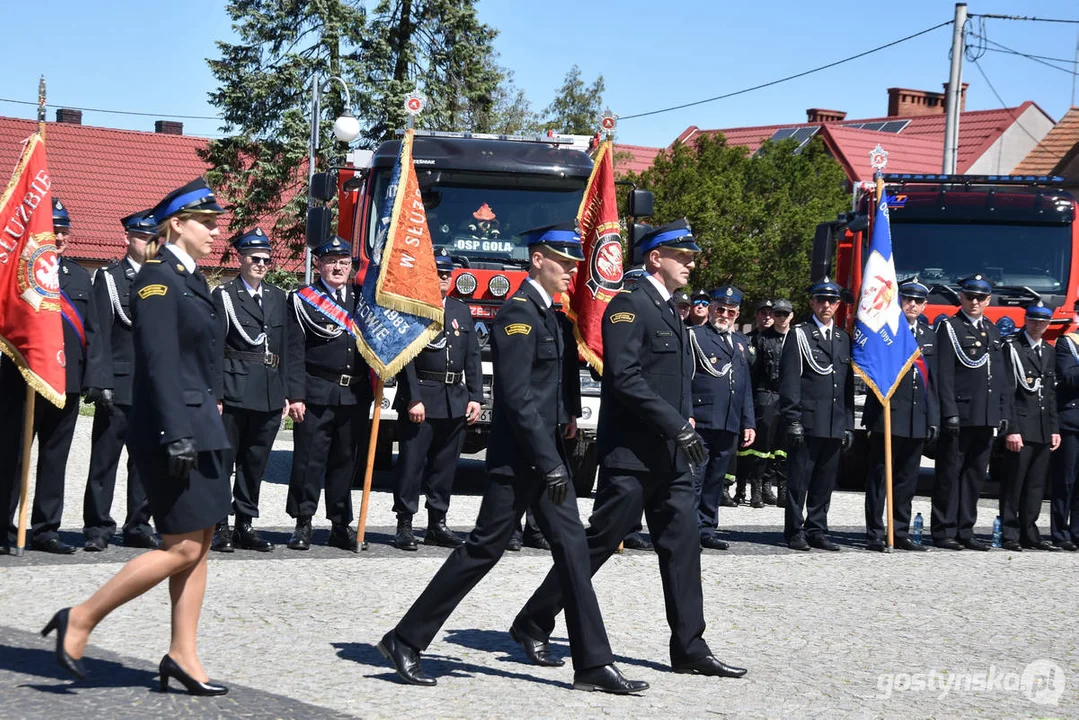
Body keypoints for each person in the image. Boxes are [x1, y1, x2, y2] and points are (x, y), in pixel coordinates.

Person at [378, 222, 647, 694]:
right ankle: (404, 639)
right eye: (563, 264)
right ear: (537, 260)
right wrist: (549, 463)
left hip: (546, 457)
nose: (571, 273)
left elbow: (551, 388)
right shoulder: (516, 315)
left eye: (574, 265)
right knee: (484, 549)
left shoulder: (554, 318)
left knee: (573, 551)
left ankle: (591, 663)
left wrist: (565, 419)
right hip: (521, 459)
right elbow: (519, 400)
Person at [512, 218, 747, 680]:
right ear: (655, 258)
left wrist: (684, 422)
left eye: (691, 256)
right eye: (683, 256)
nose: (691, 263)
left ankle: (690, 646)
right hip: (634, 457)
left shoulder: (674, 312)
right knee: (598, 543)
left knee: (683, 547)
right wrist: (676, 423)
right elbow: (625, 379)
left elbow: (670, 383)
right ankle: (533, 620)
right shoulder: (628, 307)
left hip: (673, 457)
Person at [43, 177, 232, 694]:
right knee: (181, 549)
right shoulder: (156, 279)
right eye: (208, 223)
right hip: (174, 427)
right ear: (178, 224)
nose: (216, 232)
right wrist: (175, 431)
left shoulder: (194, 281)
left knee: (198, 545)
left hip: (201, 426)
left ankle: (183, 655)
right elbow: (158, 361)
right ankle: (80, 617)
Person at [0, 198, 94, 554]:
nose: (58, 236)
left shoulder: (81, 276)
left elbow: (94, 333)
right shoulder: (17, 273)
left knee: (55, 460)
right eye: (52, 229)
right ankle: (2, 527)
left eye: (63, 230)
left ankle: (45, 530)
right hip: (21, 380)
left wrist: (91, 380)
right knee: (12, 458)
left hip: (65, 383)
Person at [284, 237, 373, 552]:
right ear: (319, 265)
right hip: (316, 391)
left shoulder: (364, 299)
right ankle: (302, 522)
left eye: (344, 262)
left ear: (351, 267)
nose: (338, 267)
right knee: (309, 460)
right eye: (332, 262)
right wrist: (295, 395)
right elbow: (293, 353)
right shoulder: (303, 300)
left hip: (355, 393)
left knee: (345, 461)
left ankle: (340, 524)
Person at [392, 248, 483, 551]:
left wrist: (475, 396)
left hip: (454, 399)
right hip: (421, 398)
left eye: (447, 274)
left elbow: (472, 358)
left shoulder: (460, 310)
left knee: (445, 466)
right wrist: (412, 398)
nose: (443, 279)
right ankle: (404, 523)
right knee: (411, 465)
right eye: (438, 274)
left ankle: (436, 523)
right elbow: (405, 359)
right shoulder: (414, 309)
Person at [81, 209, 160, 552]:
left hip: (152, 387)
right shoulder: (110, 278)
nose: (148, 243)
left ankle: (138, 524)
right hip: (119, 382)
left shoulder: (165, 277)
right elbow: (96, 332)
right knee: (104, 461)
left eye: (152, 237)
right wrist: (100, 382)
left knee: (145, 462)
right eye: (142, 237)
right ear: (127, 238)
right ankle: (98, 526)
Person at [210, 228, 288, 553]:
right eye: (255, 258)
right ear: (241, 258)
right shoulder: (225, 296)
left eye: (266, 260)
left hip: (268, 391)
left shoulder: (276, 296)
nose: (261, 264)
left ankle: (245, 523)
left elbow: (284, 347)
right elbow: (214, 348)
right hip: (234, 387)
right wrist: (215, 395)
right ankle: (219, 526)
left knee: (255, 462)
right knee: (224, 460)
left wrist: (285, 392)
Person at [932, 274, 1009, 551]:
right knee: (950, 474)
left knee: (975, 475)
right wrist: (948, 412)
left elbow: (999, 375)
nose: (974, 302)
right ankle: (944, 530)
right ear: (961, 298)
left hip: (984, 415)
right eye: (969, 296)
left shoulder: (992, 330)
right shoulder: (950, 327)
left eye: (980, 297)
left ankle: (966, 529)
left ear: (988, 300)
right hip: (960, 414)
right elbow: (943, 375)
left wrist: (1001, 410)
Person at [862, 280, 939, 552]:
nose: (913, 305)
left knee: (907, 479)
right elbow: (871, 370)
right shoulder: (885, 332)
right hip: (888, 414)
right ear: (898, 300)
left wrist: (933, 418)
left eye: (919, 301)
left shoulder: (929, 335)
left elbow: (935, 382)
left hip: (916, 418)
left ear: (925, 305)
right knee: (880, 479)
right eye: (908, 299)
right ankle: (875, 532)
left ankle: (901, 531)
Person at [779, 279, 854, 551]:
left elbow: (845, 386)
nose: (826, 306)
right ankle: (795, 530)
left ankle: (817, 528)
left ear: (837, 305)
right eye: (821, 300)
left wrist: (848, 424)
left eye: (831, 301)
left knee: (824, 481)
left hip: (833, 421)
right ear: (812, 302)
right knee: (799, 481)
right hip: (808, 421)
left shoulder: (842, 338)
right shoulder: (799, 334)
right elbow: (790, 382)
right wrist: (793, 420)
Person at [689, 286, 755, 548]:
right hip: (702, 418)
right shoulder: (695, 336)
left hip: (728, 421)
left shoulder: (740, 342)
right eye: (720, 309)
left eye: (731, 311)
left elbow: (744, 384)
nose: (725, 315)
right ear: (711, 309)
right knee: (695, 478)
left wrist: (748, 421)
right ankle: (689, 528)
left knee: (716, 479)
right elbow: (686, 380)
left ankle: (707, 528)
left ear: (737, 314)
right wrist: (687, 414)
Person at [999, 302, 1060, 551]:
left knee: (1035, 485)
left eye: (1043, 322)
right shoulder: (1012, 348)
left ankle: (1029, 531)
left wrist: (1055, 429)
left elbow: (1051, 394)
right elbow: (1007, 392)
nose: (1038, 326)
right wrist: (1011, 429)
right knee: (1014, 482)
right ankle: (1010, 533)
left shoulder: (1048, 350)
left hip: (1043, 428)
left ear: (1048, 325)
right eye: (1033, 321)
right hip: (1021, 427)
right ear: (1025, 320)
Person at [741, 298, 792, 508]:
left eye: (782, 314)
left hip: (786, 397)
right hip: (766, 395)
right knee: (762, 447)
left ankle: (781, 488)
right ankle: (756, 489)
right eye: (775, 314)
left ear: (791, 316)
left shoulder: (795, 339)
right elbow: (754, 371)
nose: (778, 318)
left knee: (783, 447)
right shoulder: (761, 339)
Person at [1051, 324, 1079, 551]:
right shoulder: (1068, 342)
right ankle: (1060, 533)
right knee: (1066, 481)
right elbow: (1069, 377)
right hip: (1072, 421)